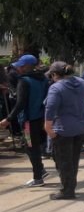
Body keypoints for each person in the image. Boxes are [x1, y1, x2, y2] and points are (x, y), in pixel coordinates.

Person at [44, 62, 84, 200]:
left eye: (51, 75)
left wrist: (47, 127)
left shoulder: (56, 88)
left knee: (63, 160)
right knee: (73, 159)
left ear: (55, 75)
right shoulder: (82, 83)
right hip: (81, 127)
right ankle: (70, 186)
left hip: (63, 129)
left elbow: (50, 107)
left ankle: (67, 190)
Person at [0, 55, 49, 187]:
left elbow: (20, 103)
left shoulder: (24, 81)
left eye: (21, 66)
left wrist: (8, 118)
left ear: (28, 66)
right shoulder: (44, 79)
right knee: (34, 145)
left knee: (30, 146)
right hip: (41, 118)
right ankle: (41, 170)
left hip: (29, 120)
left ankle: (38, 177)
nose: (18, 68)